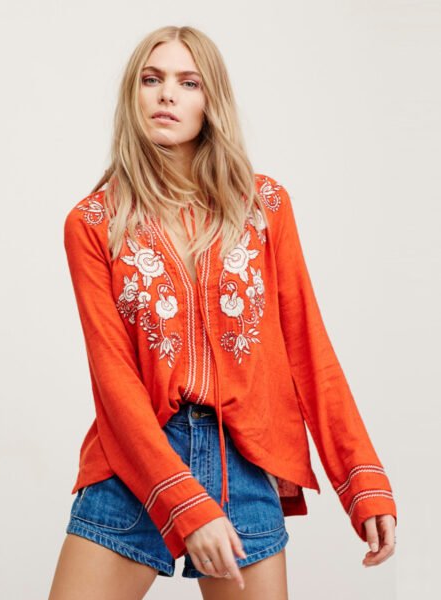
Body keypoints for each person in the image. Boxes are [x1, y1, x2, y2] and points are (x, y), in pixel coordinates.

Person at [48, 25, 397, 600]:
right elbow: (114, 379)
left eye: (189, 83)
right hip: (136, 463)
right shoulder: (92, 223)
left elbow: (308, 348)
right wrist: (182, 500)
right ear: (133, 94)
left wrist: (361, 479)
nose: (167, 94)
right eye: (152, 79)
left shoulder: (264, 206)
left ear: (211, 101)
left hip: (246, 462)